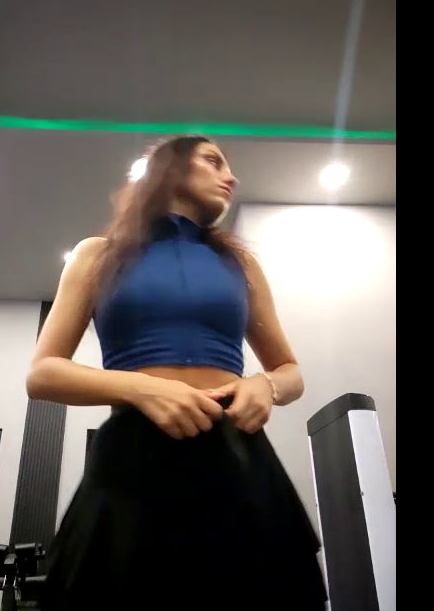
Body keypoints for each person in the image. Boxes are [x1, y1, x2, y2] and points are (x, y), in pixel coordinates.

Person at [27, 136, 328, 610]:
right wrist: (141, 388)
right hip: (133, 458)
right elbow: (43, 373)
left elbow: (290, 372)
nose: (231, 176)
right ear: (169, 169)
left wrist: (264, 385)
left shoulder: (241, 264)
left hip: (234, 454)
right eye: (213, 161)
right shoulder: (96, 255)